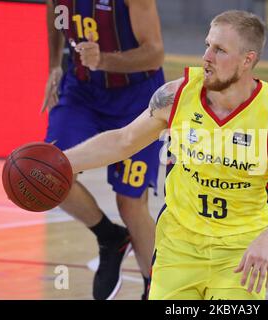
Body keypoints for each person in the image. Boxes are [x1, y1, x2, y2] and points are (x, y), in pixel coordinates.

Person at [64, 10, 268, 300]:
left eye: (220, 50)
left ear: (247, 60)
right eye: (207, 45)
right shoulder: (176, 96)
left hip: (239, 254)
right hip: (178, 247)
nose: (206, 57)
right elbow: (123, 141)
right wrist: (62, 162)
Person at [42, 0, 165, 299]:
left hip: (137, 97)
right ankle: (110, 238)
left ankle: (157, 288)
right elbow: (56, 15)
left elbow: (155, 54)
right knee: (48, 174)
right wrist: (55, 64)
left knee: (130, 204)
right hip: (82, 92)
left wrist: (105, 61)